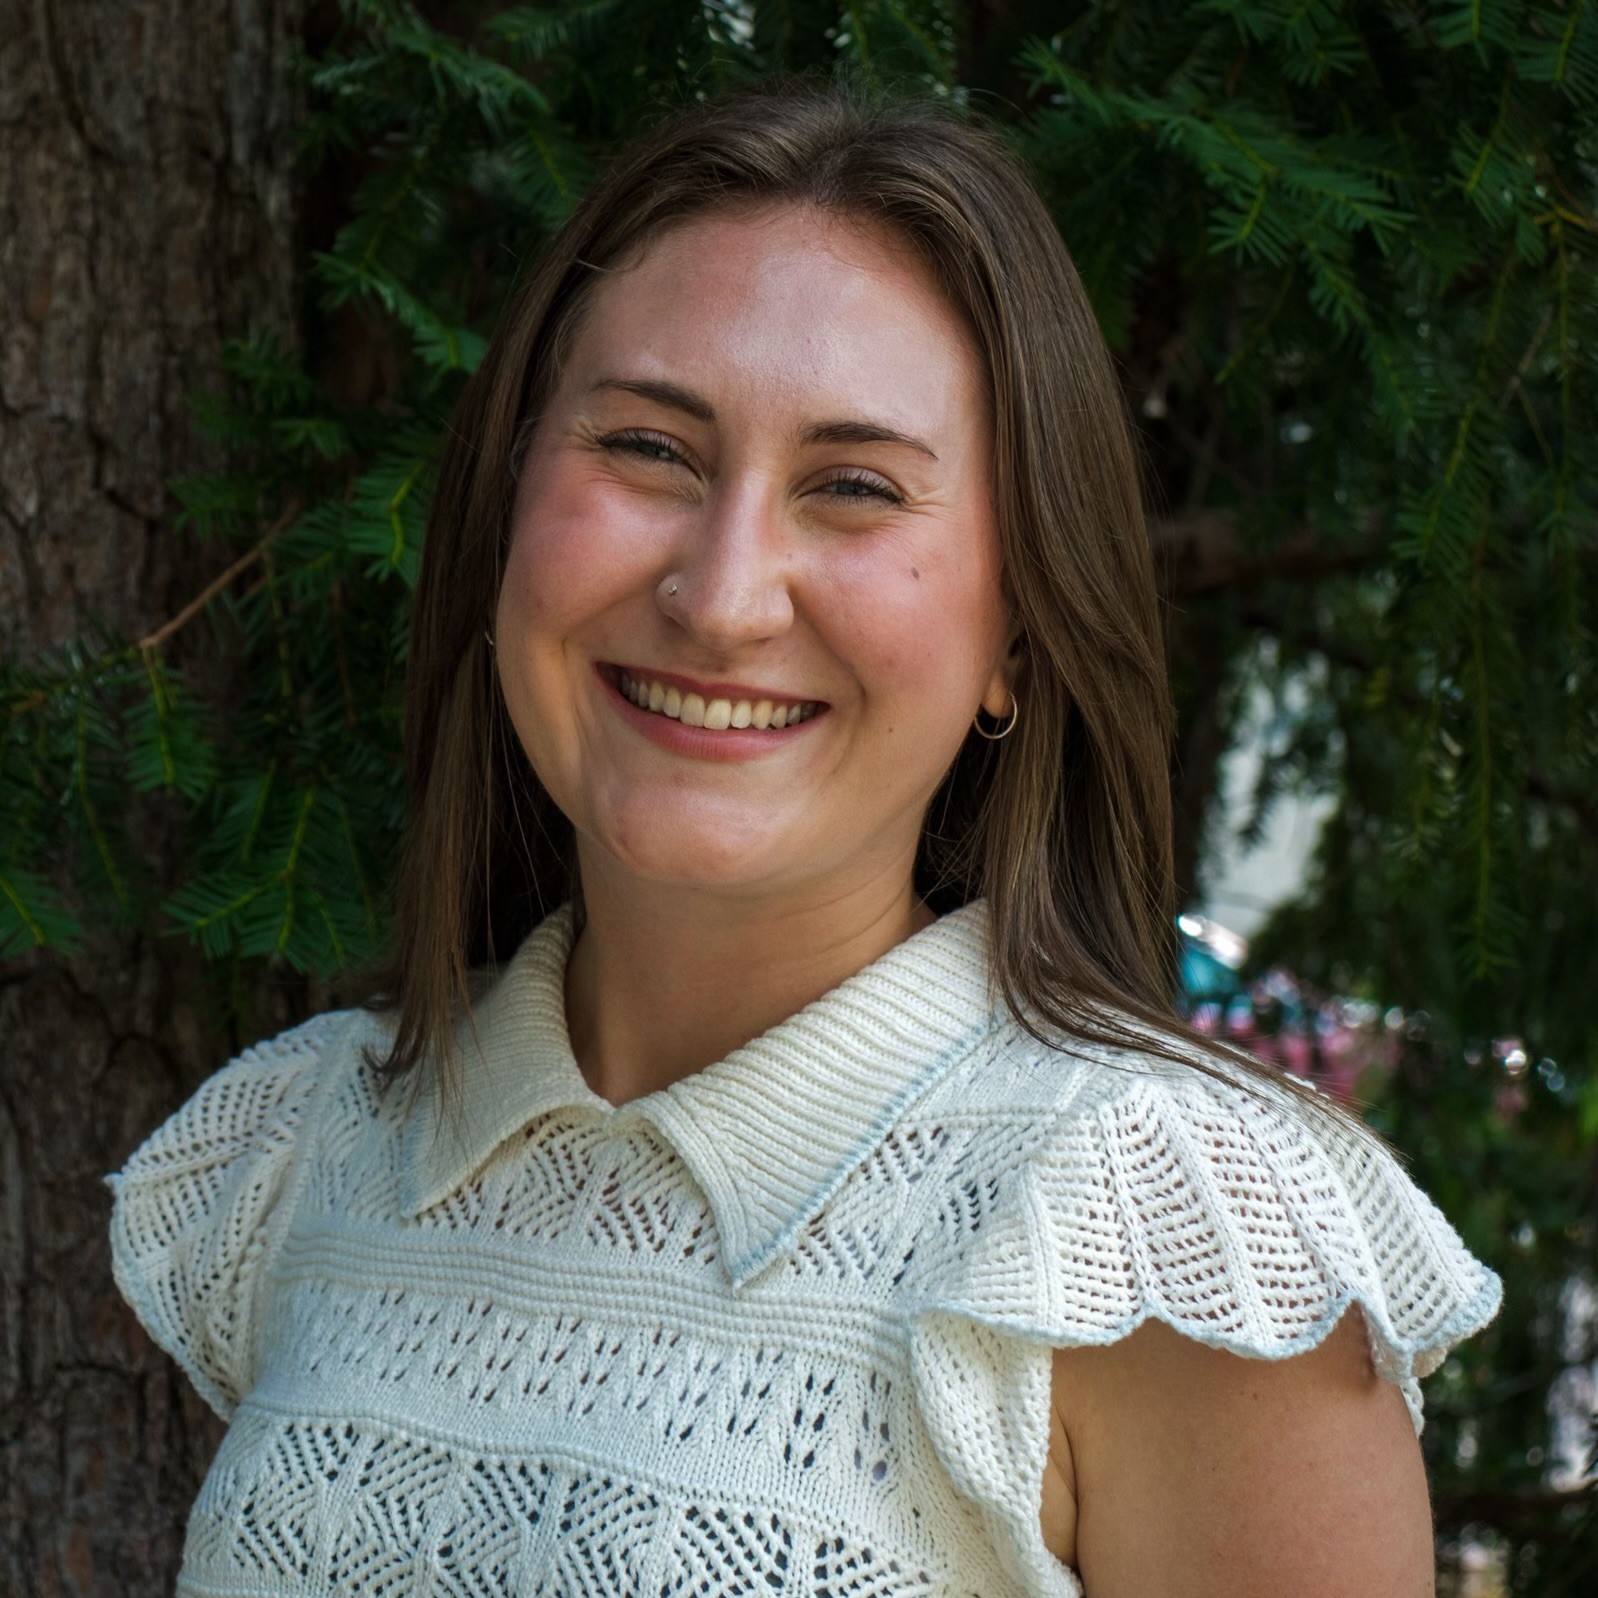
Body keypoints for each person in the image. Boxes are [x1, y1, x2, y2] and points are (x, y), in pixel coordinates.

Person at [105, 75, 1501, 1597]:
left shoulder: (1158, 1232)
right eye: (646, 449)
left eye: (851, 487)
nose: (721, 592)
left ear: (1014, 639)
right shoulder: (313, 1151)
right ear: (506, 510)